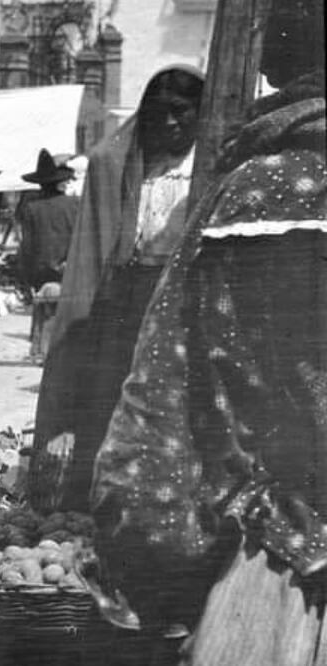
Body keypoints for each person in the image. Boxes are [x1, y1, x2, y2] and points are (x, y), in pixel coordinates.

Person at [90, 3, 325, 662]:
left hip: (282, 579)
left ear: (276, 62)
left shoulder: (246, 194)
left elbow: (158, 412)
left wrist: (154, 557)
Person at [31, 66, 205, 512]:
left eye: (181, 112)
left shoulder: (205, 165)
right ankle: (103, 497)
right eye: (160, 113)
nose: (170, 123)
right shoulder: (131, 162)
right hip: (130, 293)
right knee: (113, 393)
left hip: (183, 295)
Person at [16, 149, 78, 362]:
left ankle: (42, 350)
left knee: (46, 310)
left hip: (42, 271)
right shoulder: (75, 205)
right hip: (71, 268)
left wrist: (26, 276)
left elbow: (27, 247)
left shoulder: (32, 209)